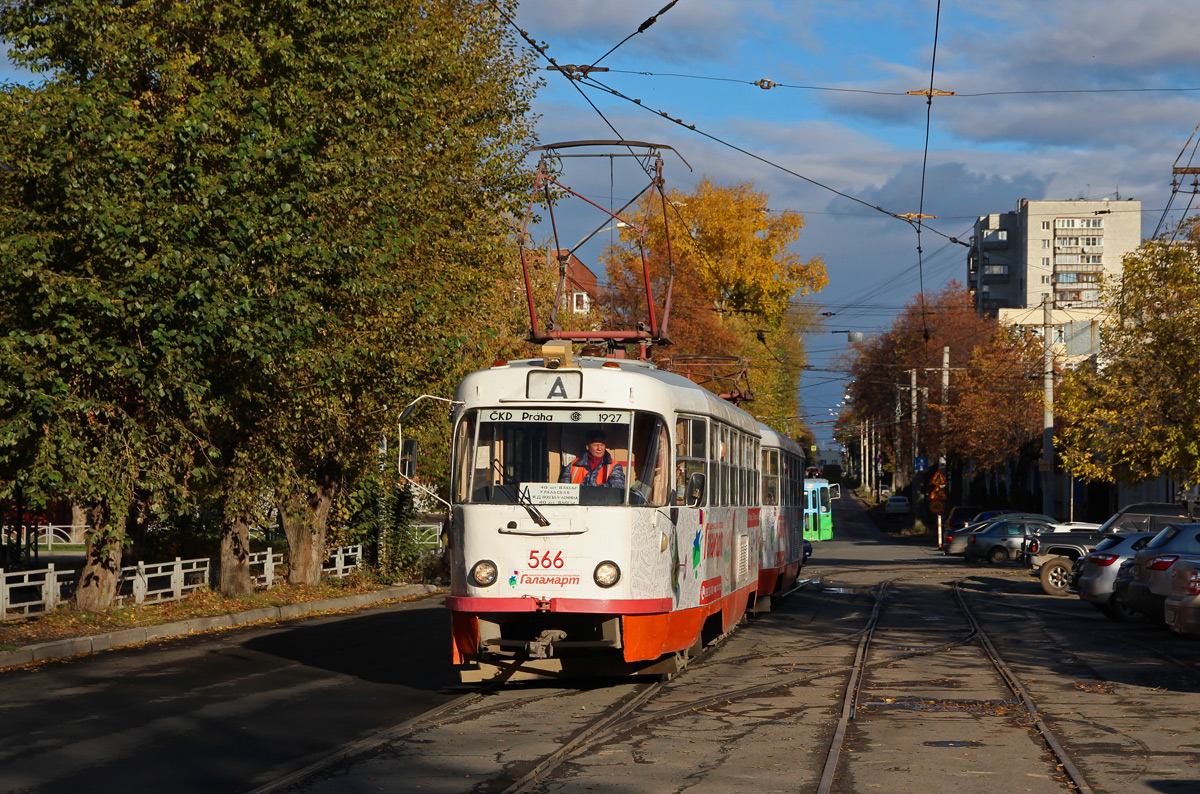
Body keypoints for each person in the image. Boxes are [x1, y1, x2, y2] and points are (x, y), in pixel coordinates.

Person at [561, 430, 626, 488]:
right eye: (595, 445)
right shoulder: (573, 465)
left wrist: (589, 491)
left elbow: (617, 486)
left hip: (604, 501)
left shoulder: (614, 466)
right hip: (579, 501)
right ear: (587, 447)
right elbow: (564, 488)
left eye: (602, 445)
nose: (599, 448)